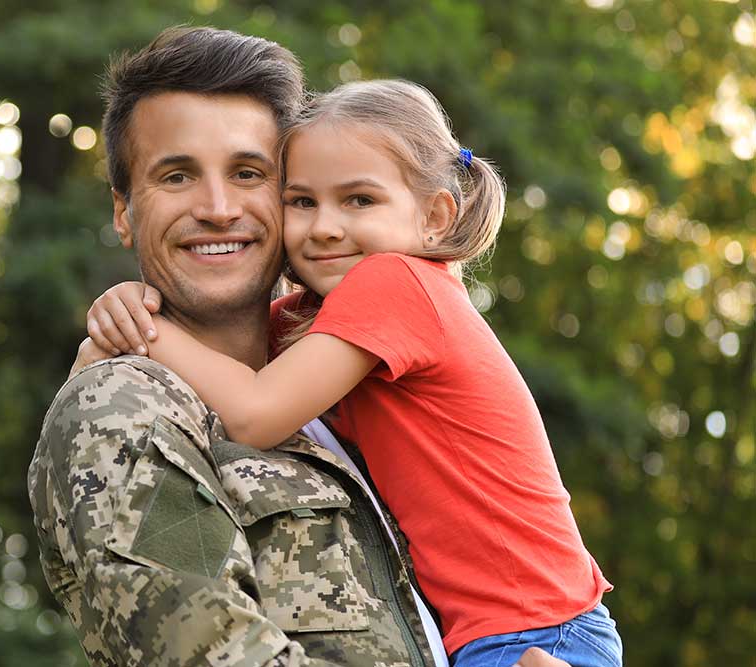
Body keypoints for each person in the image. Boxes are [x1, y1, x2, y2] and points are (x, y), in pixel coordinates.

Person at [31, 25, 576, 667]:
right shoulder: (123, 401)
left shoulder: (335, 343)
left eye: (248, 173)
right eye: (177, 176)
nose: (217, 208)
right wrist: (130, 328)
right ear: (123, 212)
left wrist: (146, 330)